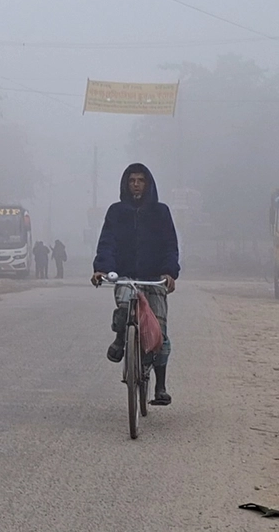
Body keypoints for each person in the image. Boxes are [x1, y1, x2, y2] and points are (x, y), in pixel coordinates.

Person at [92, 163, 180, 406]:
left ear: (148, 184)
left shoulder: (161, 212)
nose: (136, 184)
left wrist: (169, 273)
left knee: (159, 332)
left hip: (154, 278)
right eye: (132, 180)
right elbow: (107, 242)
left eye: (141, 180)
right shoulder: (116, 212)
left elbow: (170, 245)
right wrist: (102, 268)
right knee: (124, 307)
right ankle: (121, 338)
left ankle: (160, 386)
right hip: (125, 276)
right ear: (126, 184)